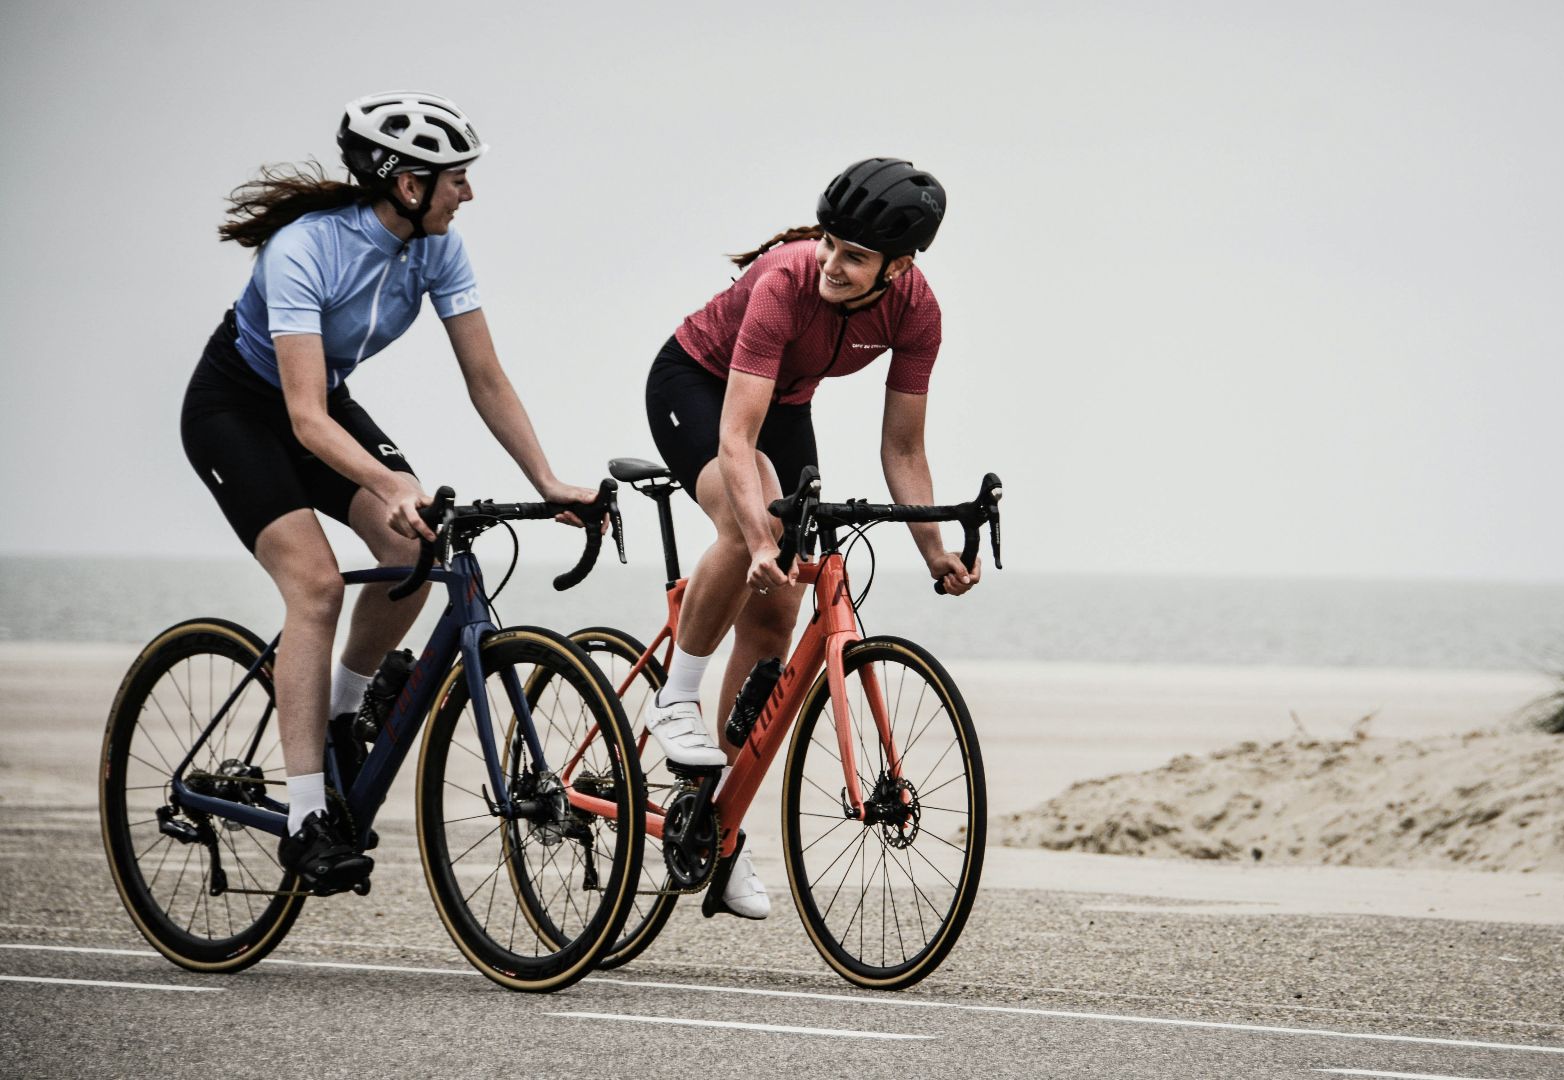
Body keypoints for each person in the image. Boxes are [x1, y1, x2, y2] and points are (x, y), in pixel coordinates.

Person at [181, 91, 598, 893]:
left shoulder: (439, 249)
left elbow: (485, 376)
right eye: (456, 180)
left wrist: (546, 481)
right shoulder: (303, 250)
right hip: (238, 411)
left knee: (414, 543)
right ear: (409, 185)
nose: (468, 193)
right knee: (316, 585)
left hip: (320, 405)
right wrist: (387, 477)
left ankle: (342, 713)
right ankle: (307, 818)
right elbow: (303, 419)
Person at [643, 158, 980, 919]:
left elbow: (904, 451)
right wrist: (759, 535)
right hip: (696, 385)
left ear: (899, 268)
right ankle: (677, 697)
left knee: (780, 609)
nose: (831, 263)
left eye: (854, 256)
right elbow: (736, 438)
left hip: (785, 403)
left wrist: (934, 551)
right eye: (829, 242)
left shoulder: (917, 312)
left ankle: (718, 829)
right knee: (746, 520)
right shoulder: (785, 281)